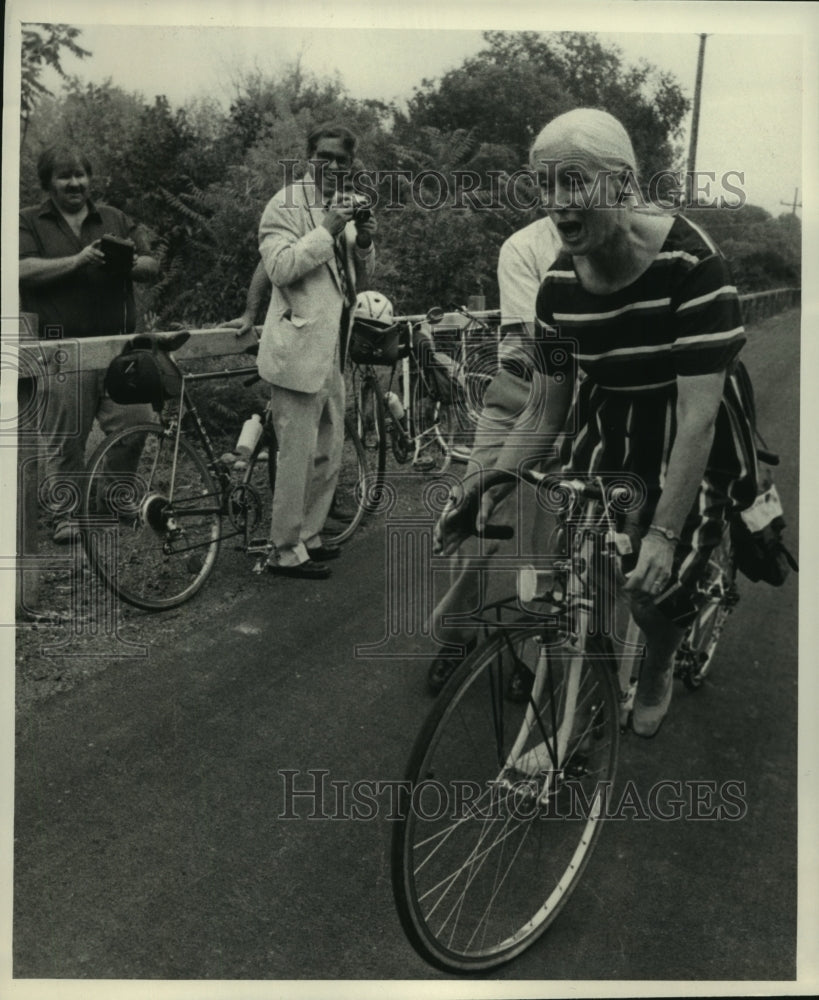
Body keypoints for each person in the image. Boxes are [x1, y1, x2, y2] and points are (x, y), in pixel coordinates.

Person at [435, 108, 755, 737]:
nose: (556, 203)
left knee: (649, 585)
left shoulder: (691, 268)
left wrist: (663, 533)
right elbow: (549, 411)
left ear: (624, 183)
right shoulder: (556, 286)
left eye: (573, 182)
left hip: (685, 422)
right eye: (545, 185)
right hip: (609, 421)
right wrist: (488, 485)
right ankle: (579, 708)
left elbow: (697, 417)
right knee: (583, 576)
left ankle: (660, 658)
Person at [426, 214, 563, 693]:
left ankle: (533, 652)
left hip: (585, 398)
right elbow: (537, 343)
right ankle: (459, 635)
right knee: (472, 507)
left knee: (550, 535)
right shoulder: (524, 246)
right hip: (521, 389)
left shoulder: (616, 241)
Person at [19, 144, 160, 543]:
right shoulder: (28, 222)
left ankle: (113, 501)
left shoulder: (114, 217)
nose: (74, 183)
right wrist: (78, 261)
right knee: (65, 439)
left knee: (137, 424)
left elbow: (152, 264)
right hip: (62, 350)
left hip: (120, 349)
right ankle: (67, 515)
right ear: (48, 183)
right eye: (64, 176)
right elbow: (19, 270)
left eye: (80, 174)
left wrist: (130, 264)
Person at [254, 122, 376, 579]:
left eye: (341, 160)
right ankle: (283, 550)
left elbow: (358, 283)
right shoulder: (283, 205)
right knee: (295, 454)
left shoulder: (339, 207)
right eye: (323, 157)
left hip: (332, 349)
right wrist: (327, 230)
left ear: (351, 165)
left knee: (329, 450)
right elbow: (281, 268)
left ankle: (309, 535)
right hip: (296, 347)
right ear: (308, 158)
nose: (332, 166)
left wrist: (362, 240)